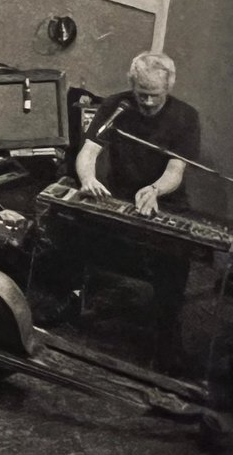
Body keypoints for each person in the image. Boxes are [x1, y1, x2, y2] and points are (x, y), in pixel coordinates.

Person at [72, 50, 200, 373]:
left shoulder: (186, 117)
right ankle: (64, 316)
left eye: (154, 96)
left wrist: (156, 189)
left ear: (168, 88)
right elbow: (88, 151)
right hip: (120, 197)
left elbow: (176, 168)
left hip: (164, 200)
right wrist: (87, 178)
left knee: (172, 262)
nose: (146, 102)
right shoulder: (116, 106)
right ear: (132, 85)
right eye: (140, 94)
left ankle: (166, 348)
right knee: (68, 230)